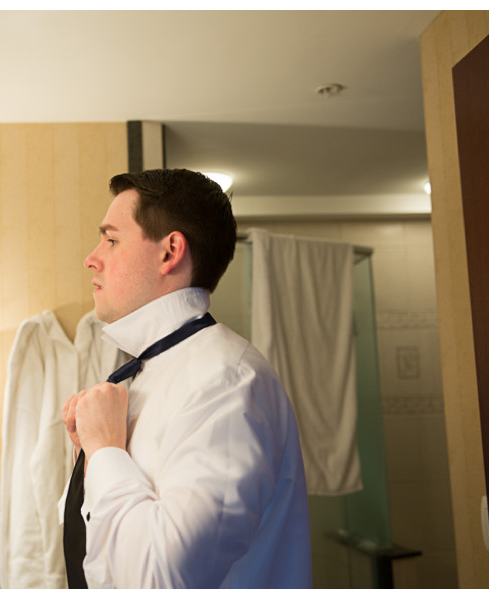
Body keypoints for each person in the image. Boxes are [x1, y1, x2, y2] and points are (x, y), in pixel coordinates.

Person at [60, 169, 311, 588]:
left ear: (170, 251)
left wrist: (105, 454)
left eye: (111, 239)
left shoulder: (228, 382)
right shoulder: (148, 373)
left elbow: (164, 578)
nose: (92, 257)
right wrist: (91, 461)